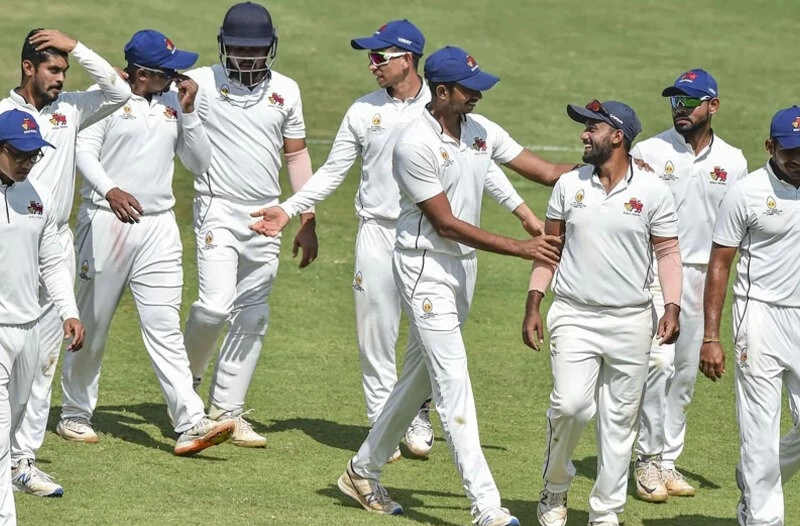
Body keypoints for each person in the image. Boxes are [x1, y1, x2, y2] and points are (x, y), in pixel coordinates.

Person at [249, 20, 552, 460]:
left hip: (431, 238)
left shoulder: (445, 105)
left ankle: (415, 412)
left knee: (428, 339)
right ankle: (381, 426)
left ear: (407, 60)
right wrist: (292, 209)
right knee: (376, 332)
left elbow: (482, 162)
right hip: (378, 232)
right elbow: (334, 171)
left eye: (379, 57)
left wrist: (522, 211)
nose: (371, 65)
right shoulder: (363, 111)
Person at [335, 45, 566, 526]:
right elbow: (446, 224)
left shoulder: (479, 131)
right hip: (424, 267)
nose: (478, 96)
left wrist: (616, 167)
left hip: (463, 271)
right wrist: (522, 248)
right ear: (442, 92)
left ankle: (361, 471)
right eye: (469, 89)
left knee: (417, 379)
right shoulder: (413, 144)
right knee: (452, 381)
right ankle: (485, 506)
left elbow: (546, 172)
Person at [57, 30, 236, 460]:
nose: (176, 77)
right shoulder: (106, 100)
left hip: (159, 226)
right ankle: (75, 412)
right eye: (167, 72)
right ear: (141, 74)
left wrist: (189, 113)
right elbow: (84, 152)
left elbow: (199, 163)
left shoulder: (176, 102)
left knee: (164, 327)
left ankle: (190, 421)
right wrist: (110, 190)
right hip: (106, 221)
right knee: (93, 323)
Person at [523, 99, 681, 526]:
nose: (583, 135)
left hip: (632, 319)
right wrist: (534, 300)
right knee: (571, 406)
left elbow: (668, 252)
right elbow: (550, 247)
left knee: (619, 422)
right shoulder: (568, 184)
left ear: (617, 136)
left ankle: (604, 516)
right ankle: (556, 486)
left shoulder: (653, 191)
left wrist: (672, 306)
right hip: (574, 314)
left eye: (592, 128)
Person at [0, 28, 130, 498]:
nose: (61, 78)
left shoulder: (71, 108)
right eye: (53, 69)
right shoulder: (3, 115)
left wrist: (76, 46)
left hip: (55, 243)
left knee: (42, 362)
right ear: (28, 67)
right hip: (12, 244)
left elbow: (119, 91)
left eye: (65, 70)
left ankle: (23, 460)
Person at [182, 1, 318, 447]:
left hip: (267, 214)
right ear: (224, 45)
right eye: (239, 48)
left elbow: (295, 155)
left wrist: (307, 216)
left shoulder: (287, 90)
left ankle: (228, 411)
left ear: (270, 47)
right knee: (214, 307)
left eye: (255, 49)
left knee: (254, 314)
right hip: (217, 207)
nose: (247, 57)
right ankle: (185, 389)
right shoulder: (200, 82)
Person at [631, 69, 748, 502]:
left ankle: (667, 460)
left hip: (703, 275)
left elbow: (736, 227)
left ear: (712, 106)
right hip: (654, 272)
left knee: (683, 375)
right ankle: (646, 458)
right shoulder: (648, 150)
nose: (680, 109)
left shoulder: (733, 161)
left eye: (689, 102)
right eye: (675, 101)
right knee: (658, 365)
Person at [699, 106, 800, 526]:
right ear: (770, 147)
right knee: (759, 428)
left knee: (773, 446)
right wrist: (711, 336)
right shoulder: (746, 193)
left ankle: (755, 475)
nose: (798, 160)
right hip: (759, 317)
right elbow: (719, 265)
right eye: (791, 152)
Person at [0, 109, 85, 526]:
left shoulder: (40, 195)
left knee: (11, 433)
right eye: (18, 154)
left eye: (33, 155)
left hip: (29, 330)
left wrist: (69, 311)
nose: (26, 162)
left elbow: (51, 261)